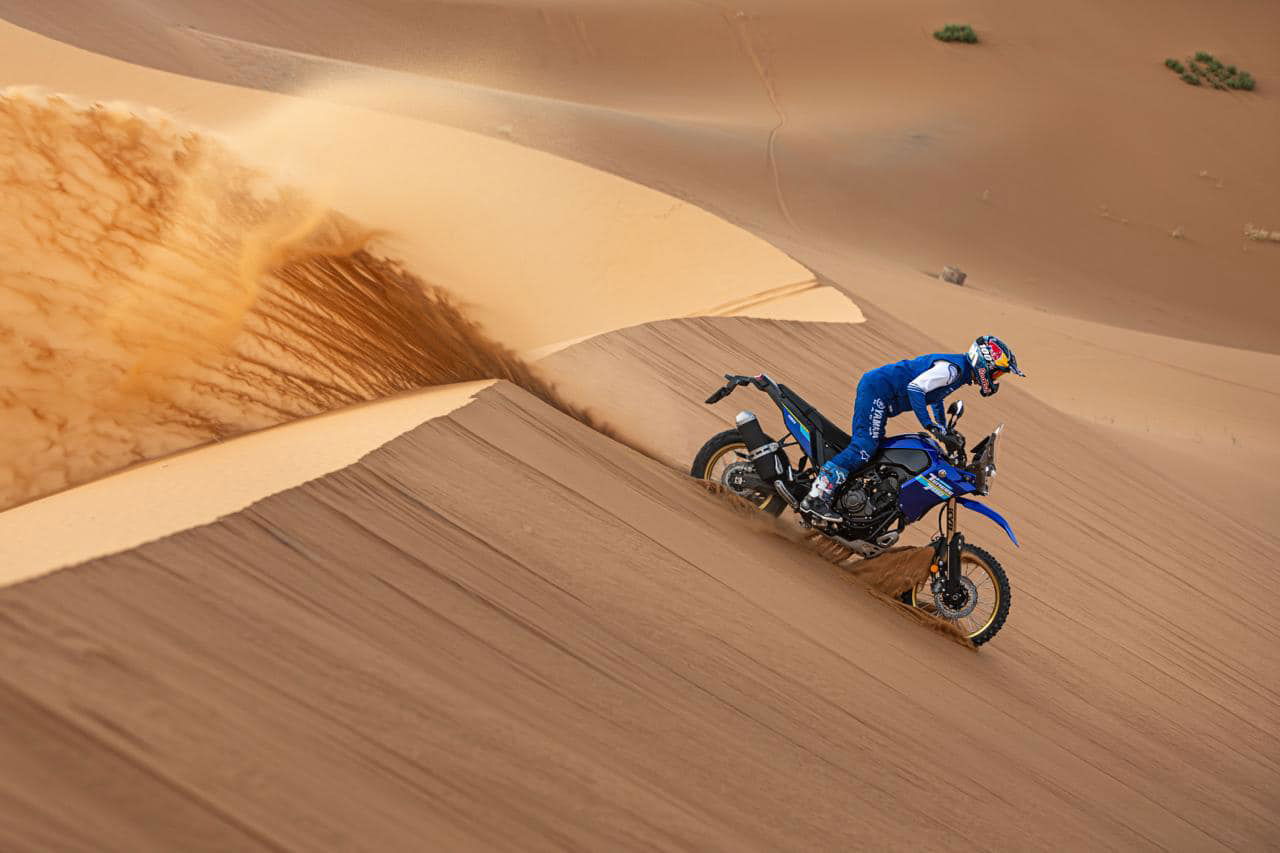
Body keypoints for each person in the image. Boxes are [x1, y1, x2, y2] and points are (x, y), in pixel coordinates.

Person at [801, 335, 1024, 523]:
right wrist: (930, 427)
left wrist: (943, 428)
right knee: (864, 447)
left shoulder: (959, 372)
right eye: (997, 373)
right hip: (878, 391)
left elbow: (935, 398)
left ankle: (849, 498)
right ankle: (816, 497)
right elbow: (916, 389)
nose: (996, 380)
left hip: (883, 395)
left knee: (878, 451)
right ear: (984, 363)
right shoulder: (952, 370)